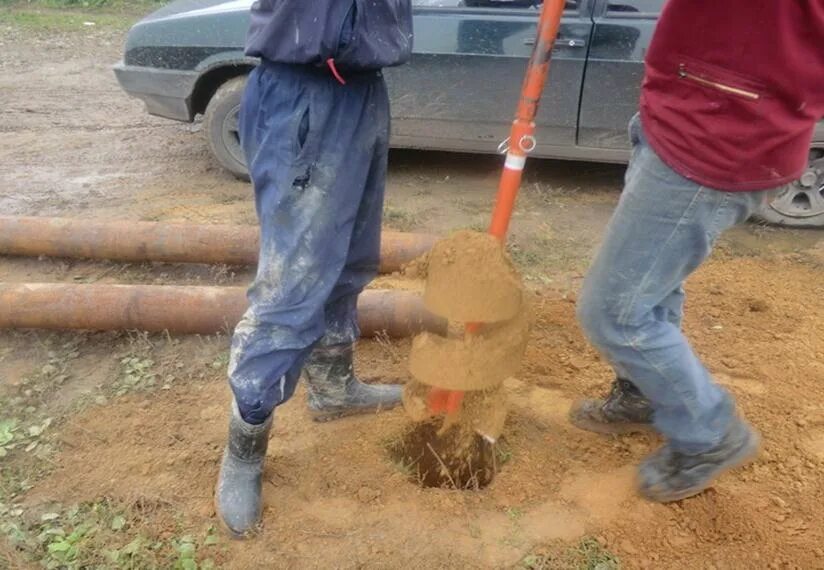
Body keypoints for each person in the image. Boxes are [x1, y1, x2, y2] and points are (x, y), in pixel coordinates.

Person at [572, 0, 824, 502]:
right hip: (689, 102)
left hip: (722, 126)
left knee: (614, 314)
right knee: (651, 287)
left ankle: (709, 434)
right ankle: (644, 392)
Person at [215, 0, 413, 537]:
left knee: (350, 259)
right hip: (302, 91)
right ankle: (246, 440)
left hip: (364, 90)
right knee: (292, 287)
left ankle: (332, 386)